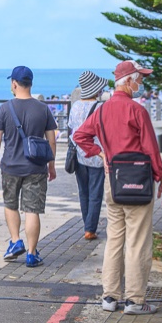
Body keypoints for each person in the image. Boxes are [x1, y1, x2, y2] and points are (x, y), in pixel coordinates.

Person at [74, 60, 162, 316]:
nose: (141, 84)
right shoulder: (137, 111)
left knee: (115, 238)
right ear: (128, 81)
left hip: (112, 181)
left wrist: (101, 154)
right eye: (139, 79)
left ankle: (109, 297)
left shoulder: (101, 111)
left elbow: (79, 136)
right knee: (137, 241)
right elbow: (150, 148)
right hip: (139, 181)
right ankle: (135, 301)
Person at [0, 66, 58, 268]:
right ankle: (31, 253)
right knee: (32, 210)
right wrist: (51, 165)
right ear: (31, 83)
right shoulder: (43, 108)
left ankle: (14, 241)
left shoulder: (4, 108)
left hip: (10, 166)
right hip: (36, 167)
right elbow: (51, 141)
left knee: (11, 205)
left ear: (14, 83)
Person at [68, 71, 109, 240]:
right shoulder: (101, 107)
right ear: (96, 89)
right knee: (95, 193)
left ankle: (87, 224)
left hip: (79, 154)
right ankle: (90, 229)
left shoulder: (76, 105)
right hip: (97, 155)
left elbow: (71, 127)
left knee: (83, 192)